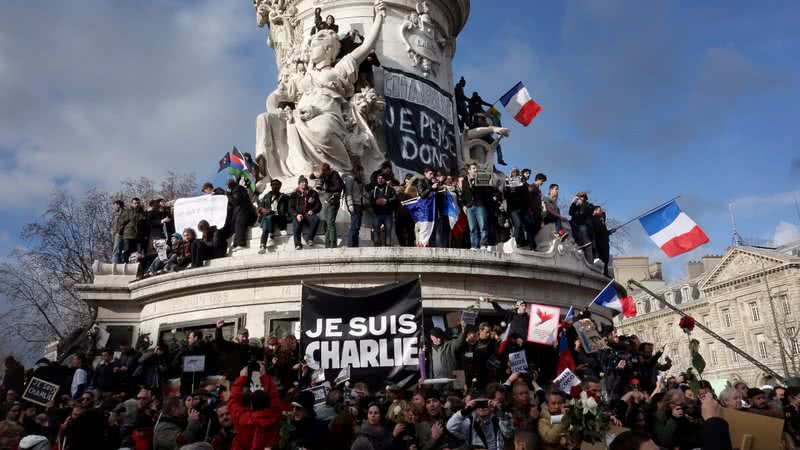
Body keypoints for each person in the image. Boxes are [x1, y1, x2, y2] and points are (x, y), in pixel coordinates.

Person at [228, 363, 283, 450]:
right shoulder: (275, 416)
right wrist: (264, 377)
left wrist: (242, 378)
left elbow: (233, 401)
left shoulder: (243, 419)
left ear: (251, 405)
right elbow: (274, 398)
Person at [446, 397, 512, 450]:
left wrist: (499, 412)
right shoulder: (469, 422)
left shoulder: (499, 419)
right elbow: (450, 427)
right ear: (474, 407)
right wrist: (466, 410)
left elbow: (508, 433)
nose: (482, 407)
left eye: (485, 404)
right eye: (478, 404)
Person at [460, 163, 493, 250]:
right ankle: (474, 245)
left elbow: (488, 193)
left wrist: (488, 184)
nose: (475, 169)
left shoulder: (481, 177)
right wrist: (463, 205)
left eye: (476, 168)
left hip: (480, 205)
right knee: (472, 227)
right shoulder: (464, 180)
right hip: (469, 207)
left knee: (483, 226)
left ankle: (483, 244)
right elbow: (463, 194)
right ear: (469, 170)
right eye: (473, 168)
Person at [310, 163, 344, 248]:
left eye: (325, 173)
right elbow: (312, 177)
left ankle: (333, 244)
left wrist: (326, 188)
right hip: (326, 201)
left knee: (330, 222)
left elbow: (338, 187)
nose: (325, 175)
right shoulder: (324, 175)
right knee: (325, 222)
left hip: (333, 201)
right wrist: (314, 174)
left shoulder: (334, 174)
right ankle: (327, 243)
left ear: (328, 170)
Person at [504, 169, 537, 250]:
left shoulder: (524, 184)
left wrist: (522, 186)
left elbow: (527, 197)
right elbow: (506, 195)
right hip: (513, 209)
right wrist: (508, 187)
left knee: (528, 225)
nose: (515, 174)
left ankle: (532, 246)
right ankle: (514, 243)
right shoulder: (508, 183)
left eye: (516, 172)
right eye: (513, 172)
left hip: (524, 208)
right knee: (518, 224)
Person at [289, 175, 322, 250]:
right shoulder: (294, 194)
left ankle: (310, 238)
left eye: (306, 182)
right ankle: (297, 244)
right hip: (298, 214)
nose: (304, 184)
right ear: (299, 184)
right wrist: (296, 214)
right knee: (296, 225)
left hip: (308, 214)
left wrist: (313, 210)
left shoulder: (313, 193)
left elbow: (318, 205)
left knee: (316, 219)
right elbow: (290, 207)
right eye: (302, 182)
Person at [257, 179, 289, 252]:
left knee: (270, 217)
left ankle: (271, 237)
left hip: (279, 216)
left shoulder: (284, 197)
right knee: (265, 228)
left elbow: (289, 207)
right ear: (271, 186)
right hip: (267, 216)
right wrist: (263, 210)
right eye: (273, 184)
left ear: (280, 186)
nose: (275, 186)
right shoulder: (266, 196)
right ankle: (262, 246)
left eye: (277, 185)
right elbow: (260, 208)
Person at [227, 179, 257, 252]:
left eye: (228, 185)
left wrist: (228, 195)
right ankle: (236, 244)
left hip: (244, 212)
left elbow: (236, 201)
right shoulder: (239, 189)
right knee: (237, 226)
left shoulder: (237, 189)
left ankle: (241, 244)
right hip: (242, 212)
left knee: (239, 225)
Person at [343, 163, 369, 247]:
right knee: (354, 224)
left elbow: (364, 192)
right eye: (361, 171)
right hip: (353, 204)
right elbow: (348, 192)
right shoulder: (350, 179)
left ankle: (355, 244)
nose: (362, 173)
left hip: (360, 204)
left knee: (358, 225)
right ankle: (351, 244)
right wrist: (350, 204)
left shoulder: (359, 180)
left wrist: (372, 196)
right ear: (357, 171)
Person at [369, 173, 396, 247]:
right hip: (377, 214)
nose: (380, 180)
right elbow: (370, 201)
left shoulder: (390, 189)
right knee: (376, 231)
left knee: (388, 231)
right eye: (378, 178)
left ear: (385, 180)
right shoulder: (373, 190)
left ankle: (388, 246)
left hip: (388, 214)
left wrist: (386, 201)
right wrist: (375, 202)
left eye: (382, 178)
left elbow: (395, 199)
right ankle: (377, 246)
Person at [568, 192, 594, 260]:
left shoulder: (589, 205)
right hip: (575, 227)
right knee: (577, 245)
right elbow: (570, 213)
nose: (579, 198)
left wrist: (582, 203)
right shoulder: (576, 207)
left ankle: (590, 262)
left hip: (584, 226)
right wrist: (573, 203)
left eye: (581, 197)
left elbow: (587, 212)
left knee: (587, 245)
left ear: (584, 198)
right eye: (578, 197)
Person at [591, 206, 611, 276]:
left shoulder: (602, 222)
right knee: (602, 257)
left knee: (606, 258)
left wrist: (609, 232)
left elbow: (604, 232)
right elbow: (599, 231)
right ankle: (602, 272)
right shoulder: (595, 219)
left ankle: (606, 272)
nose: (603, 217)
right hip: (599, 242)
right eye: (600, 211)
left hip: (605, 242)